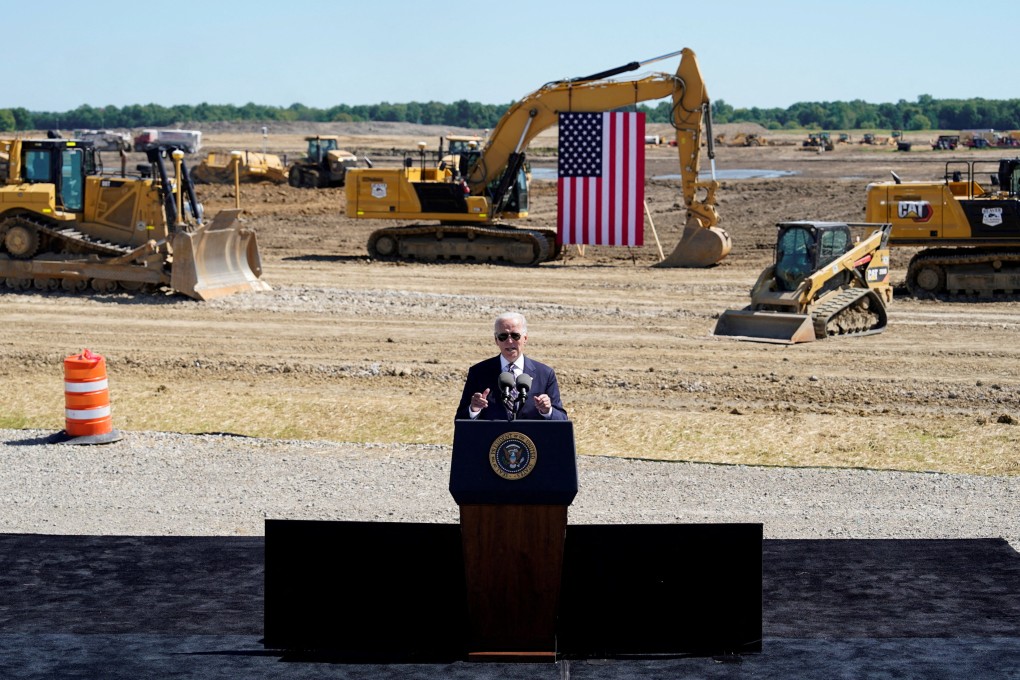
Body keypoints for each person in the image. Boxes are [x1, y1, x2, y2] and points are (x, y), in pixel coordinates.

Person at [456, 312, 567, 421]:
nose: (509, 341)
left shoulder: (545, 374)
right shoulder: (478, 373)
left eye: (515, 336)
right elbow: (460, 420)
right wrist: (473, 409)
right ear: (496, 340)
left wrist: (547, 411)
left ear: (525, 338)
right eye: (503, 336)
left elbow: (562, 420)